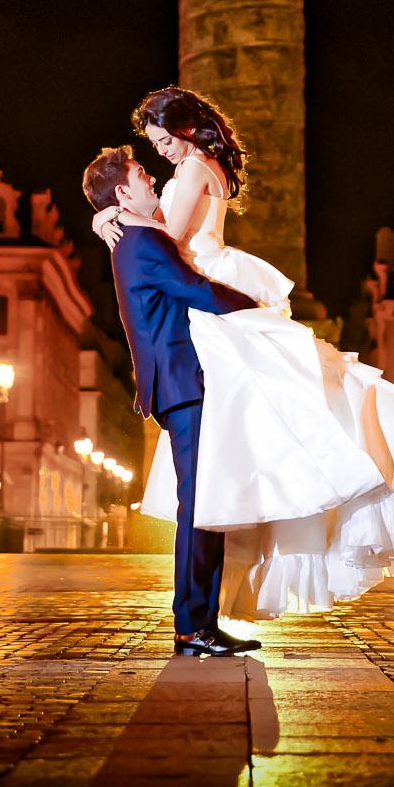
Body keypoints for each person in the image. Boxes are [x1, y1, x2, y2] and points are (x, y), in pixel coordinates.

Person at [95, 85, 394, 620]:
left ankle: (200, 617)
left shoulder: (191, 171)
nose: (161, 153)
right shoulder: (203, 165)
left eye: (165, 139)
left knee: (226, 470)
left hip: (208, 299)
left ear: (187, 128)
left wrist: (109, 218)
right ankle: (202, 615)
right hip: (203, 300)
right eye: (155, 145)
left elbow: (167, 240)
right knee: (252, 446)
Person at [82, 144, 262, 658]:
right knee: (199, 504)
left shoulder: (132, 233)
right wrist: (258, 308)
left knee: (205, 498)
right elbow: (196, 289)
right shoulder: (140, 242)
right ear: (123, 190)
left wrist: (107, 215)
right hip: (184, 382)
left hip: (179, 381)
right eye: (142, 174)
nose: (153, 180)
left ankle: (201, 620)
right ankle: (192, 626)